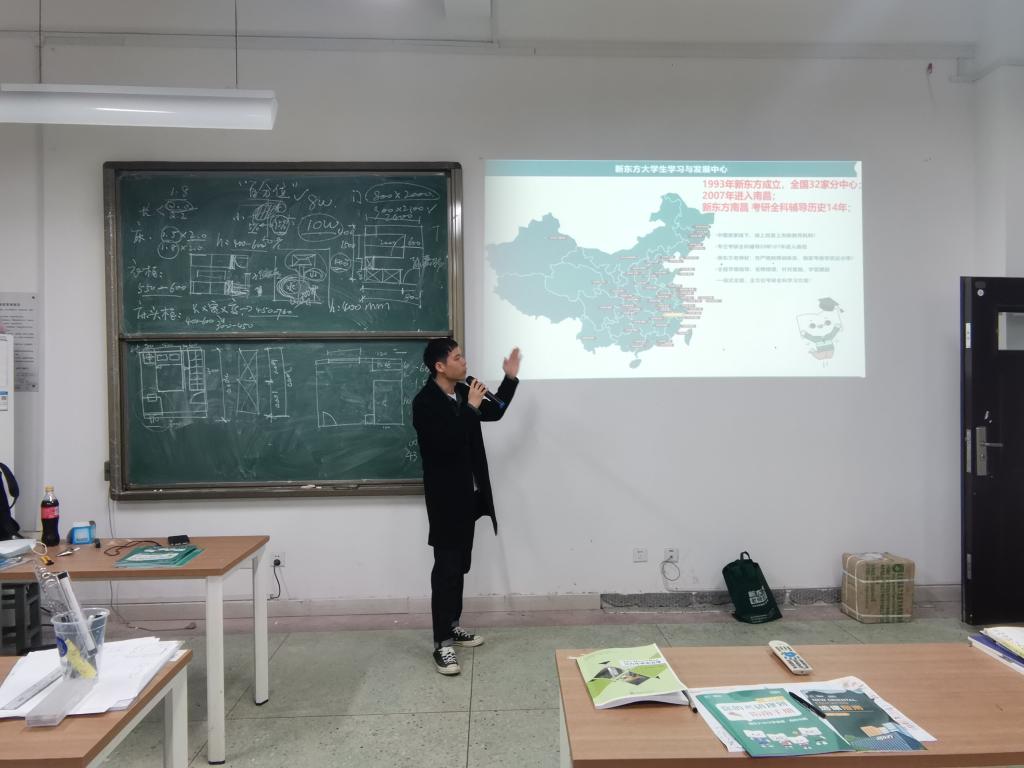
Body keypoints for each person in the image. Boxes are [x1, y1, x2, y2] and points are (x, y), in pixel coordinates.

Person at [412, 338, 521, 675]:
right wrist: (471, 409)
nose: (464, 362)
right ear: (439, 366)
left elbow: (497, 411)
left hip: (468, 497)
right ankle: (441, 644)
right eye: (458, 358)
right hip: (445, 500)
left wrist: (509, 379)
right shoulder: (425, 402)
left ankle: (453, 624)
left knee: (459, 566)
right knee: (445, 570)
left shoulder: (462, 392)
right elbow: (445, 444)